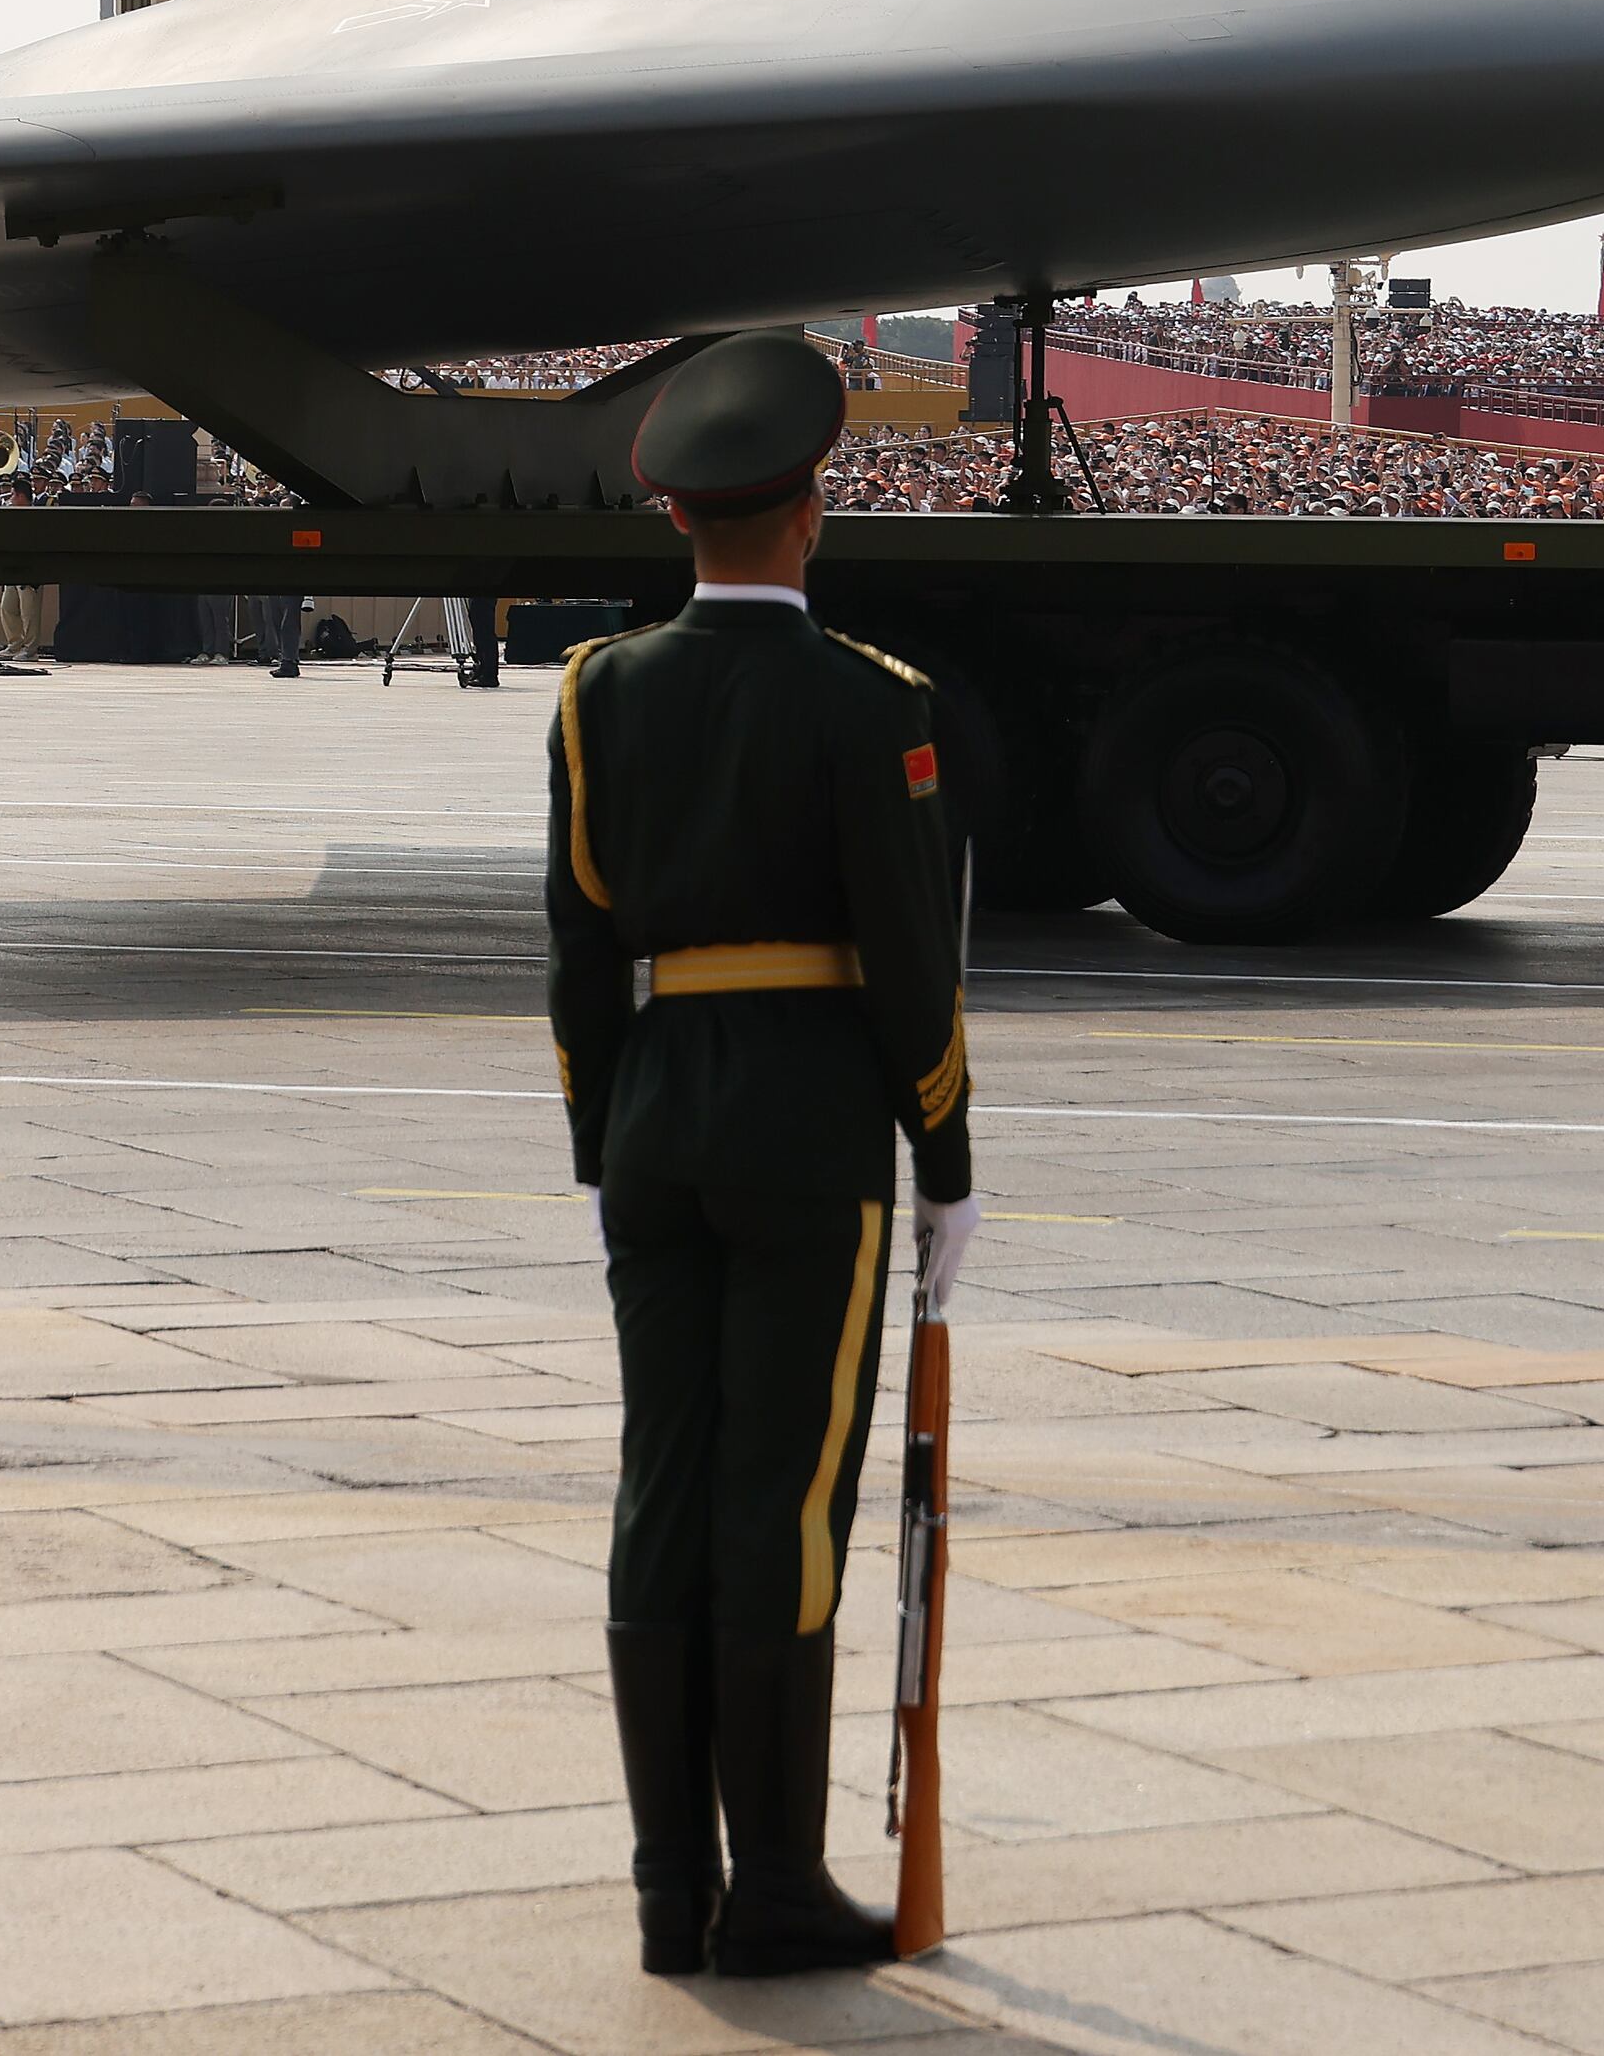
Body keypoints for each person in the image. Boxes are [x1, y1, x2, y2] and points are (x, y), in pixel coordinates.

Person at [544, 333, 977, 1981]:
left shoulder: (601, 694)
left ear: (682, 524)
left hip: (653, 1125)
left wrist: (605, 1139)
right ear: (810, 517)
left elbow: (578, 950)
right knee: (784, 1501)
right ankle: (776, 1885)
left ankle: (673, 1891)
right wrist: (944, 1153)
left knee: (664, 1483)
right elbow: (906, 961)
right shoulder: (875, 705)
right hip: (807, 1133)